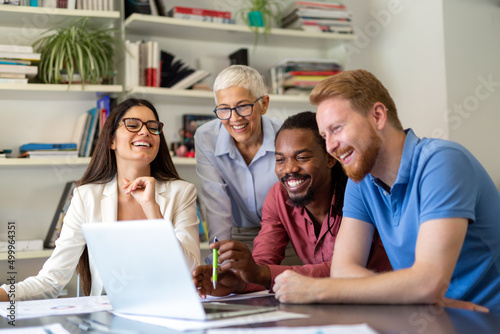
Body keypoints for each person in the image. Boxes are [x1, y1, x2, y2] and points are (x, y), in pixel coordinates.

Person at [272, 69, 500, 313]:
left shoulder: (443, 162)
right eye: (324, 136)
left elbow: (428, 282)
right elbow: (343, 270)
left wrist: (316, 290)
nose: (330, 147)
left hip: (486, 318)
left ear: (378, 116)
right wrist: (417, 294)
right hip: (429, 318)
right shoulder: (361, 181)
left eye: (336, 129)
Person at [0, 98, 200, 301]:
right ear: (111, 140)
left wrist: (152, 208)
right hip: (106, 316)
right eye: (132, 125)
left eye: (153, 127)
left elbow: (193, 275)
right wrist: (5, 293)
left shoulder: (182, 193)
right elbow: (52, 281)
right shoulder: (86, 197)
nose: (145, 132)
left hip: (167, 312)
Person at [193, 112, 391, 297]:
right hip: (329, 301)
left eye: (302, 157)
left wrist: (260, 273)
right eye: (280, 159)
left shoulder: (358, 192)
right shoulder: (278, 197)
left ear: (330, 158)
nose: (289, 169)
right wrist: (240, 281)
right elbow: (263, 262)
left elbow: (343, 270)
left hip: (383, 299)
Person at [194, 65, 299, 264]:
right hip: (237, 238)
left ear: (264, 104)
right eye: (224, 109)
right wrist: (220, 263)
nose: (234, 118)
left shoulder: (288, 135)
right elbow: (216, 205)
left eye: (243, 106)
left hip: (289, 235)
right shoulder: (206, 137)